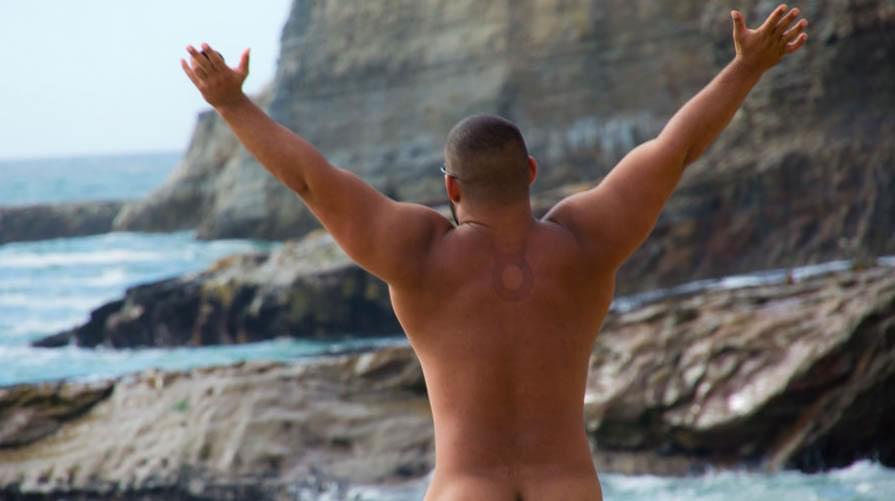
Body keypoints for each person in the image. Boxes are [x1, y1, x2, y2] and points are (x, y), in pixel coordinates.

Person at [182, 5, 808, 500]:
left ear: (452, 189)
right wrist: (746, 68)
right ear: (531, 171)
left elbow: (310, 181)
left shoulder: (419, 255)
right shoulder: (586, 243)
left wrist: (232, 103)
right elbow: (675, 150)